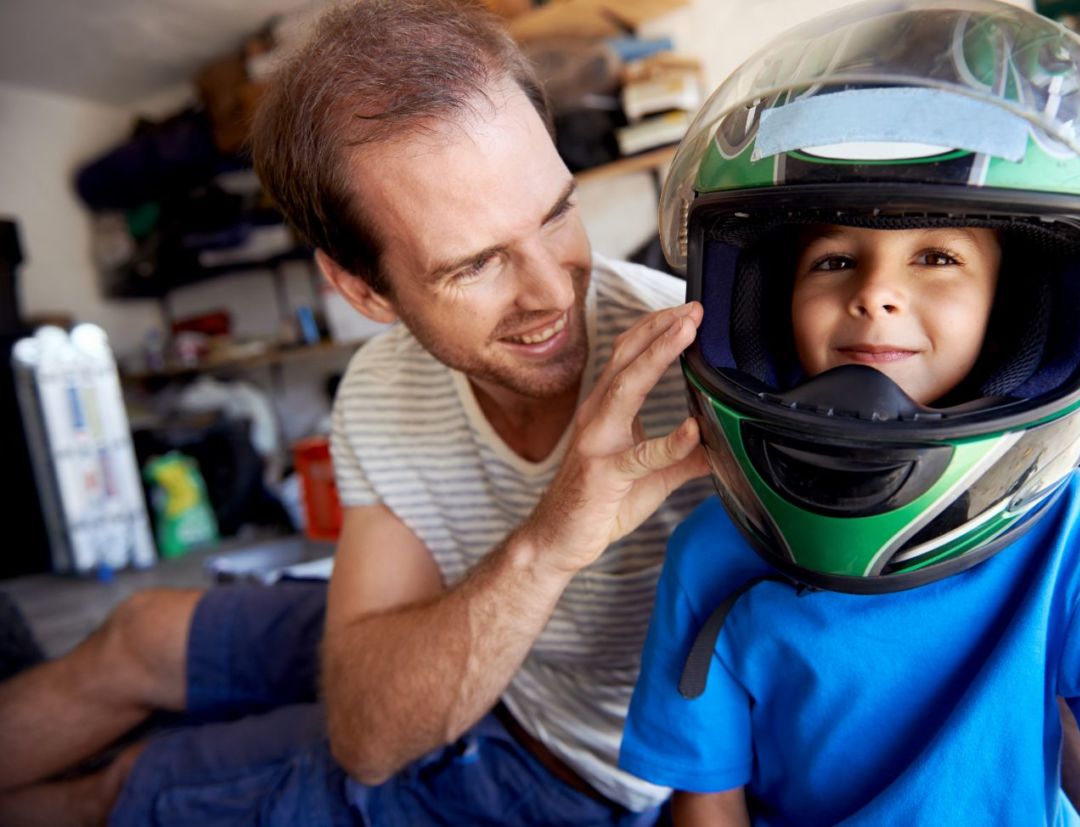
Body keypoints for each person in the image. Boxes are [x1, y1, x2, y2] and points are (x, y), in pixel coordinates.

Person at [0, 1, 712, 824]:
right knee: (139, 630)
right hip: (467, 628)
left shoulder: (700, 372)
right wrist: (553, 540)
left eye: (556, 213)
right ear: (363, 289)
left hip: (551, 764)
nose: (555, 292)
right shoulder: (383, 384)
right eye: (475, 263)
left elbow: (370, 750)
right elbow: (372, 717)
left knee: (130, 788)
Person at [617, 1, 1080, 825]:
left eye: (938, 257)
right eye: (834, 258)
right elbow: (709, 800)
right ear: (764, 305)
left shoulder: (1071, 538)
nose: (875, 293)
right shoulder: (712, 552)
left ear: (1014, 312)